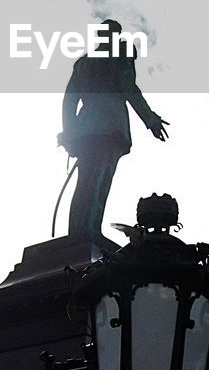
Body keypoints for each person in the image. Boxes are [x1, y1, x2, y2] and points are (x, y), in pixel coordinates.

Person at [59, 19, 168, 240]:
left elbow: (69, 101)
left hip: (85, 129)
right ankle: (89, 233)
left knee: (84, 182)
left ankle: (76, 236)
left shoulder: (83, 63)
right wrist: (150, 119)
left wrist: (70, 131)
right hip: (110, 126)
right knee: (100, 180)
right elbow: (129, 88)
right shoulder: (120, 57)